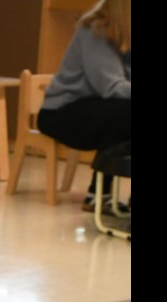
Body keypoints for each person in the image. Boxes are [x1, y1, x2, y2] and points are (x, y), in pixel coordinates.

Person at [37, 0, 130, 213]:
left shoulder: (124, 35)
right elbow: (111, 87)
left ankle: (104, 194)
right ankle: (98, 194)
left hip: (96, 108)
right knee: (125, 113)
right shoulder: (94, 29)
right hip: (61, 112)